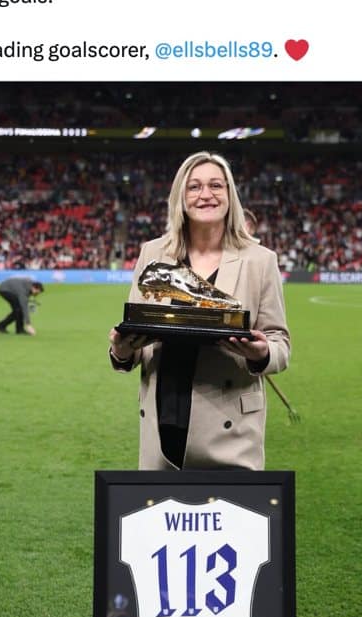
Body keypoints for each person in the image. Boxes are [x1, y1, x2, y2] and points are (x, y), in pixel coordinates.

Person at [108, 151, 290, 470]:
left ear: (230, 196)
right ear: (181, 197)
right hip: (162, 420)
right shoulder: (152, 253)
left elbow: (280, 345)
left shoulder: (261, 260)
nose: (206, 194)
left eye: (216, 185)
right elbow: (133, 338)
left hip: (230, 431)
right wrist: (121, 350)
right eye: (194, 187)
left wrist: (260, 353)